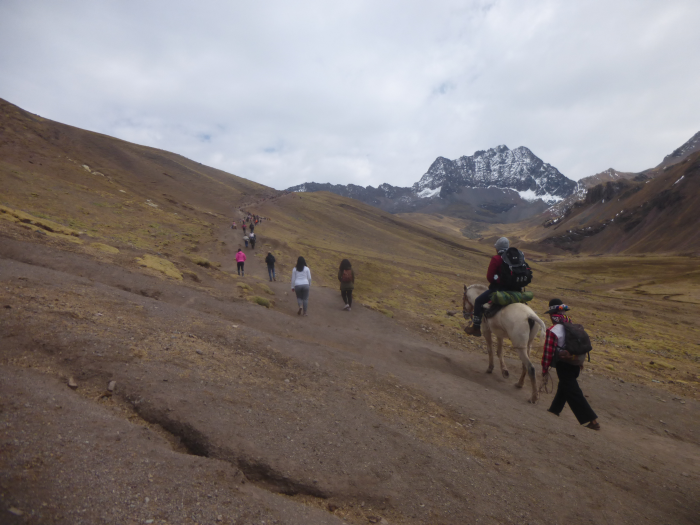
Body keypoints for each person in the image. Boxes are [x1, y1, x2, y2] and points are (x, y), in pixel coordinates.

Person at [541, 299, 600, 430]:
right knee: (564, 386)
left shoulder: (552, 331)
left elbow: (548, 352)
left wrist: (545, 369)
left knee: (573, 392)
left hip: (564, 365)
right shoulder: (572, 326)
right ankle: (554, 410)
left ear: (551, 315)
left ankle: (592, 420)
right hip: (576, 363)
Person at [464, 237, 520, 337]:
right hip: (515, 291)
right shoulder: (515, 258)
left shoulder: (496, 259)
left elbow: (490, 277)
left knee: (478, 301)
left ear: (498, 249)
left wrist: (499, 280)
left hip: (499, 290)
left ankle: (476, 327)